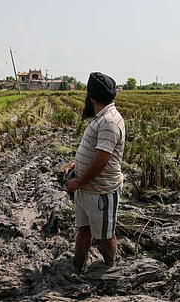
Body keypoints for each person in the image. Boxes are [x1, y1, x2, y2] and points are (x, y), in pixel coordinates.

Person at [67, 72, 125, 274]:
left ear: (90, 97)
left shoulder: (109, 121)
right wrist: (75, 167)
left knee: (106, 235)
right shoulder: (101, 118)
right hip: (85, 187)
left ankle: (110, 268)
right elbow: (94, 151)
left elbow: (101, 161)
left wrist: (79, 181)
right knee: (84, 229)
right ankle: (78, 268)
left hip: (100, 191)